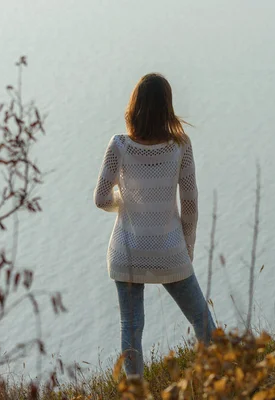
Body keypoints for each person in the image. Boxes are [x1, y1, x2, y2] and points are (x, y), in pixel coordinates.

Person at [93, 73, 215, 377]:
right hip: (170, 251)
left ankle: (134, 392)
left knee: (131, 330)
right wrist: (187, 248)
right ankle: (222, 380)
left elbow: (101, 198)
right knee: (203, 323)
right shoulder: (180, 146)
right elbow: (190, 206)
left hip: (127, 253)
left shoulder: (119, 145)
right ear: (167, 108)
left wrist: (127, 199)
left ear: (134, 107)